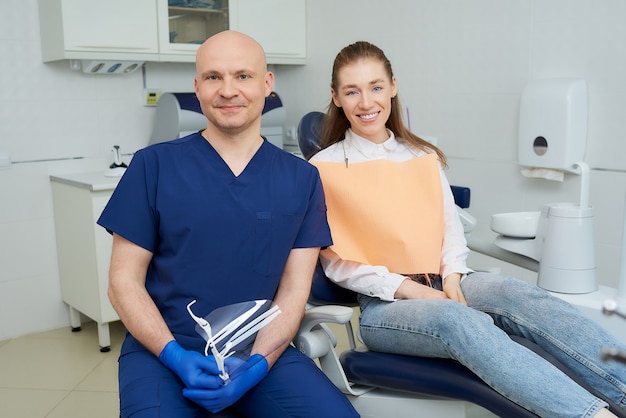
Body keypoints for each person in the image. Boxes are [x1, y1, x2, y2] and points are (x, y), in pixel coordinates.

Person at [309, 40, 626, 418]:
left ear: (393, 86)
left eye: (376, 87)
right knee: (456, 319)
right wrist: (410, 290)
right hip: (384, 307)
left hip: (445, 280)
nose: (366, 102)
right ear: (336, 97)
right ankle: (591, 415)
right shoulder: (322, 169)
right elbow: (336, 262)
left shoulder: (421, 157)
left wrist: (454, 275)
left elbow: (449, 227)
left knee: (517, 292)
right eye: (352, 91)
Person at [97, 30, 359, 418]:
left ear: (267, 84)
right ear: (198, 87)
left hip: (260, 352)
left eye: (243, 76)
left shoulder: (301, 179)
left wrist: (257, 364)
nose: (228, 90)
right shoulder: (152, 166)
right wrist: (174, 356)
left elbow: (293, 291)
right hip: (162, 349)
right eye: (214, 77)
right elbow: (123, 282)